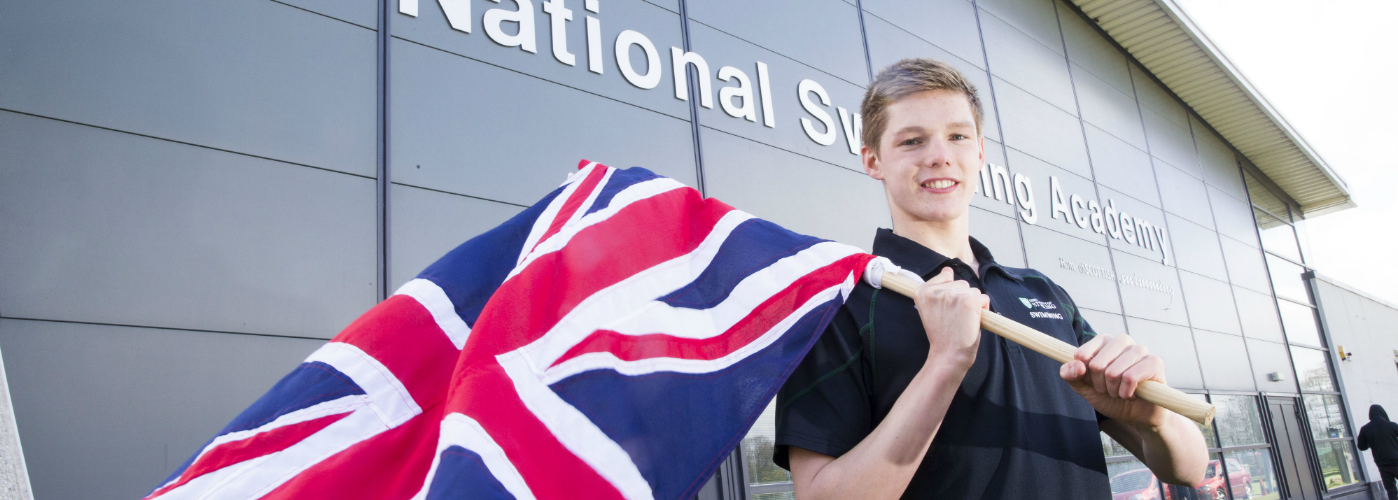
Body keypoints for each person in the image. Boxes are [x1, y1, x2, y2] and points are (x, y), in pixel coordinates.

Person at [772, 58, 1208, 499]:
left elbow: (1190, 468)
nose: (940, 155)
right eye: (912, 141)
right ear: (873, 160)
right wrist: (944, 363)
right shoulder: (840, 306)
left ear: (979, 151)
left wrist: (1155, 420)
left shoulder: (1042, 293)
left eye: (957, 136)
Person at [1358, 404, 1398, 500]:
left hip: (1382, 464)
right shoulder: (1392, 425)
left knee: (1391, 490)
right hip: (1396, 460)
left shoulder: (1365, 429)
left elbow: (1362, 447)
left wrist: (1370, 443)